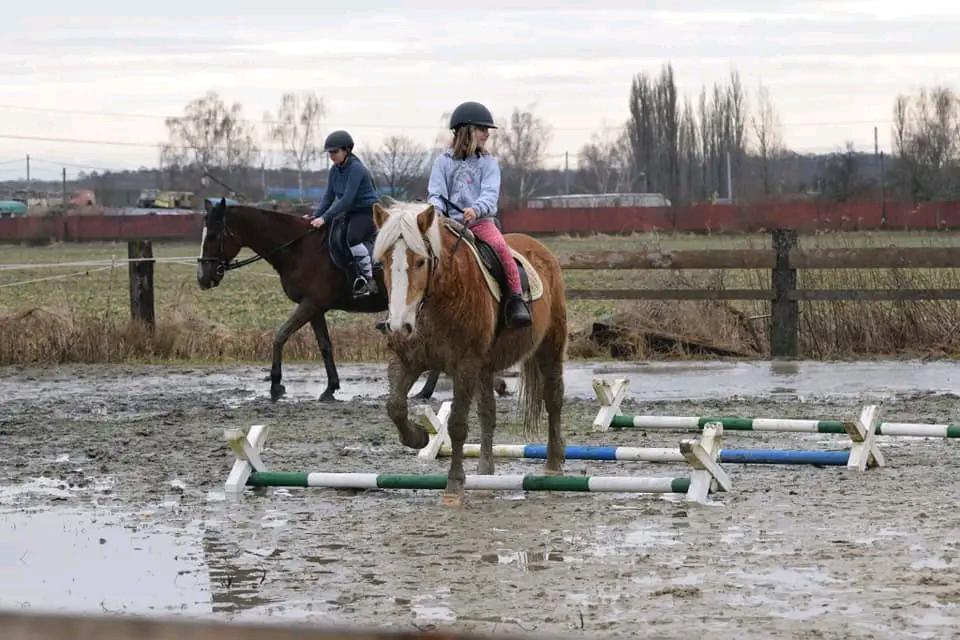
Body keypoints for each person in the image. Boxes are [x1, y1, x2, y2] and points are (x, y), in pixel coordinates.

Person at [427, 101, 531, 328]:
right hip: (447, 224)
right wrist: (436, 210)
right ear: (467, 131)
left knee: (501, 248)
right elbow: (435, 192)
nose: (487, 135)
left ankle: (515, 299)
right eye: (483, 129)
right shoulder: (442, 162)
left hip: (479, 223)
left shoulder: (489, 163)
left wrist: (476, 210)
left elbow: (490, 194)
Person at [310, 130, 379, 298]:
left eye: (335, 152)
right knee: (336, 238)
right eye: (330, 153)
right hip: (349, 212)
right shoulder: (334, 170)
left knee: (352, 238)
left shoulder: (356, 169)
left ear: (346, 150)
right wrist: (315, 216)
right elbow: (328, 198)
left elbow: (347, 199)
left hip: (366, 212)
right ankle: (350, 278)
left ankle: (370, 281)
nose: (332, 156)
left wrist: (325, 218)